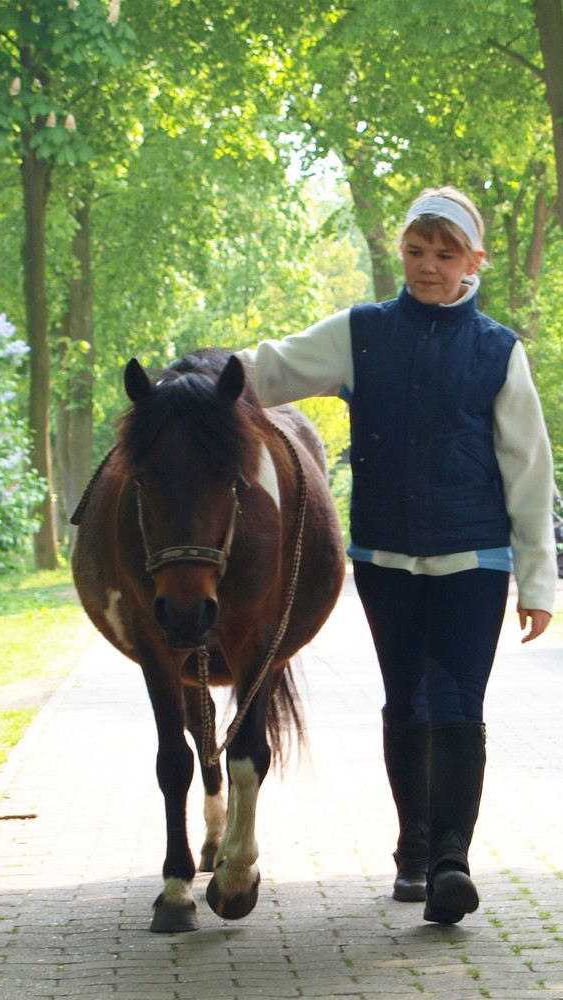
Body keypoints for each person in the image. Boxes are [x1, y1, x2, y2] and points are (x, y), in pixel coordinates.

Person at [237, 186, 557, 925]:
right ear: (402, 252)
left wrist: (537, 582)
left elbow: (529, 472)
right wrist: (188, 382)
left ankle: (450, 859)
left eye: (446, 255)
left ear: (474, 261)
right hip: (385, 559)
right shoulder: (362, 332)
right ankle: (413, 850)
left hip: (473, 560)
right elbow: (269, 370)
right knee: (404, 704)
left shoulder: (499, 352)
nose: (428, 267)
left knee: (455, 706)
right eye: (417, 251)